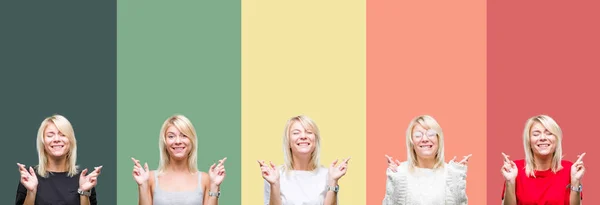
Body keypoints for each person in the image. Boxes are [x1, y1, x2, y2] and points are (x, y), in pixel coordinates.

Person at [132, 114, 226, 205]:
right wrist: (143, 185)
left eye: (184, 135)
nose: (177, 141)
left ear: (192, 141)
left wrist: (214, 186)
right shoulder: (150, 178)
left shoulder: (205, 179)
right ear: (164, 142)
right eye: (171, 136)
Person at [258, 115, 350, 205]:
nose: (303, 136)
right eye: (296, 133)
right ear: (288, 142)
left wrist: (333, 181)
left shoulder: (328, 175)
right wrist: (274, 184)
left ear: (315, 141)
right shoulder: (274, 175)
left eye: (309, 132)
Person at [383, 115, 470, 205]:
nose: (424, 139)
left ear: (438, 139)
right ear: (411, 142)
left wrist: (456, 179)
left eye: (431, 134)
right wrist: (396, 181)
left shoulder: (450, 174)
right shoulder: (401, 172)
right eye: (418, 135)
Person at [16, 114, 102, 205]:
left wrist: (84, 192)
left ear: (70, 141)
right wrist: (31, 192)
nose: (56, 139)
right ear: (43, 142)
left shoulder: (84, 179)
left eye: (63, 135)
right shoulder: (30, 176)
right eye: (50, 135)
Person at [501, 115, 585, 205]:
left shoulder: (570, 169)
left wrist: (576, 181)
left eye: (549, 133)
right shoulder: (515, 169)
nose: (542, 138)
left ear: (556, 139)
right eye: (536, 134)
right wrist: (510, 182)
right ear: (529, 141)